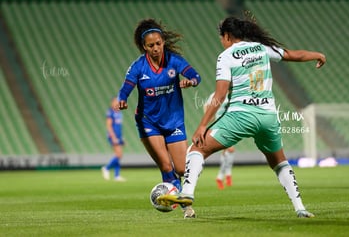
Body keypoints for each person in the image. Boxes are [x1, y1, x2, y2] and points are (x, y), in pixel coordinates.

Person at [158, 14, 326, 219]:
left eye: (221, 37)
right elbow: (294, 55)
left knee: (197, 148)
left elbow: (219, 95)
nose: (221, 42)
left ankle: (187, 193)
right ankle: (300, 208)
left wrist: (202, 125)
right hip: (268, 116)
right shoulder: (261, 48)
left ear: (227, 36)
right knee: (279, 162)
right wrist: (317, 54)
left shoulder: (226, 56)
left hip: (241, 116)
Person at [115, 18, 201, 213]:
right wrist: (122, 98)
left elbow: (196, 76)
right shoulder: (138, 66)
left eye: (158, 44)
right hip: (148, 122)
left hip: (174, 121)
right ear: (144, 47)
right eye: (151, 45)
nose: (156, 48)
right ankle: (184, 207)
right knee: (165, 165)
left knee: (181, 169)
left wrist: (191, 82)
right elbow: (126, 86)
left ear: (163, 42)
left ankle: (177, 195)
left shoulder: (174, 61)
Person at [204, 92, 235, 190]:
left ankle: (225, 176)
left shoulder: (235, 93)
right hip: (220, 125)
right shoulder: (216, 94)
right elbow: (206, 106)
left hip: (230, 124)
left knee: (227, 151)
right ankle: (223, 176)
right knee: (230, 149)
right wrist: (209, 118)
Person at [101, 97, 127, 182]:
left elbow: (119, 127)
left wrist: (121, 138)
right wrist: (113, 137)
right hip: (113, 136)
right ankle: (106, 168)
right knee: (119, 155)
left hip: (118, 136)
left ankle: (117, 176)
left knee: (118, 155)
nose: (117, 103)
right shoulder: (110, 112)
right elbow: (109, 126)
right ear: (112, 103)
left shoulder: (119, 113)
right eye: (115, 101)